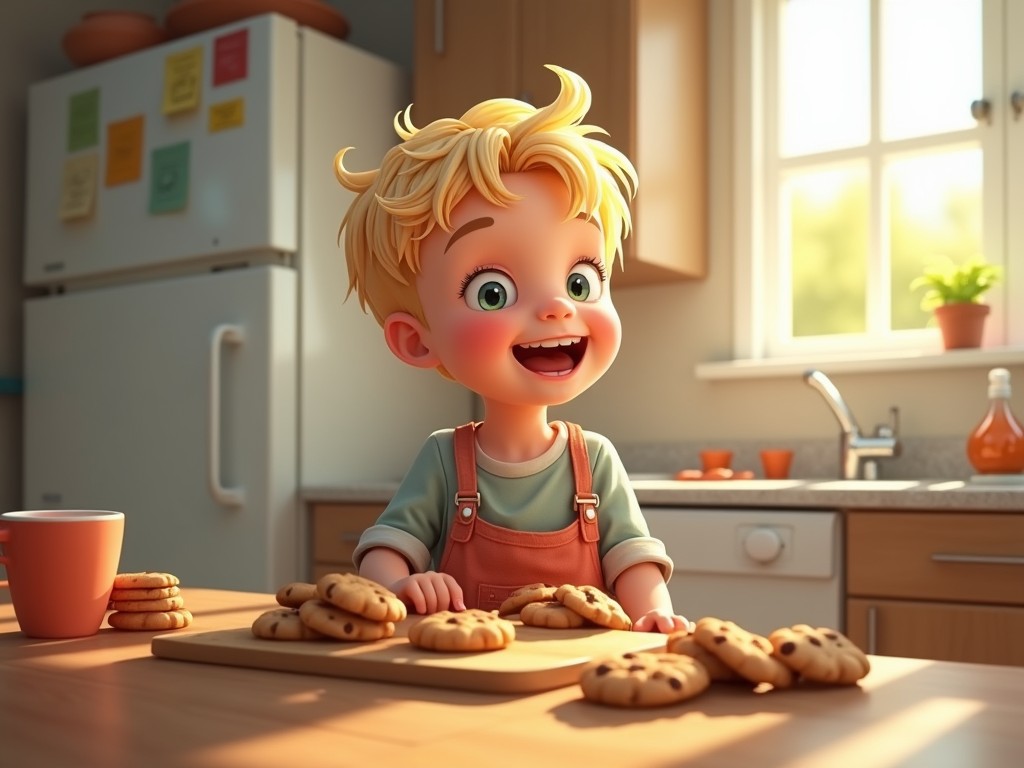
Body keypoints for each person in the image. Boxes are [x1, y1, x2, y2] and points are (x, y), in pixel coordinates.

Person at [334, 65, 690, 633]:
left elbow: (632, 559)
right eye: (492, 291)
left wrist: (655, 616)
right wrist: (403, 584)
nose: (556, 307)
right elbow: (386, 552)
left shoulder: (593, 460)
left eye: (580, 281)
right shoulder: (444, 460)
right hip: (468, 672)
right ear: (416, 340)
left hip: (578, 682)